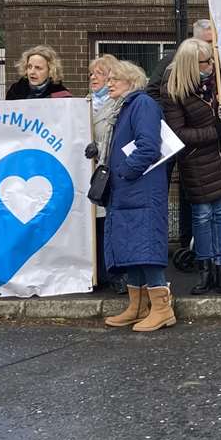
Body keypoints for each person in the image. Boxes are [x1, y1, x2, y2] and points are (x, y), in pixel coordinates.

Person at [159, 38, 221, 295]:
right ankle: (205, 267)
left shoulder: (216, 84)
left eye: (210, 60)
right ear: (191, 65)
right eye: (205, 62)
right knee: (202, 216)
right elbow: (179, 133)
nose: (210, 65)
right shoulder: (173, 91)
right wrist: (214, 132)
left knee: (220, 214)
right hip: (197, 161)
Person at [100, 60, 175, 331]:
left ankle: (162, 309)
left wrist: (125, 171)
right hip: (130, 190)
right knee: (132, 247)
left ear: (131, 81)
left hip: (139, 188)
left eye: (115, 79)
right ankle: (138, 306)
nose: (109, 83)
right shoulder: (127, 107)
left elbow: (148, 146)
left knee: (145, 247)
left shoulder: (142, 104)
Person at [87, 54, 124, 290]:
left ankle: (117, 274)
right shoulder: (85, 102)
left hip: (109, 172)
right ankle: (99, 273)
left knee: (112, 226)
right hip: (92, 173)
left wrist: (98, 147)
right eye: (91, 74)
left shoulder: (118, 104)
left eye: (99, 73)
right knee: (97, 227)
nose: (93, 78)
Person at [5, 45, 73, 99]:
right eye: (29, 67)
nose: (32, 72)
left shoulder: (62, 96)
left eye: (38, 68)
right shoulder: (15, 91)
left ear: (50, 71)